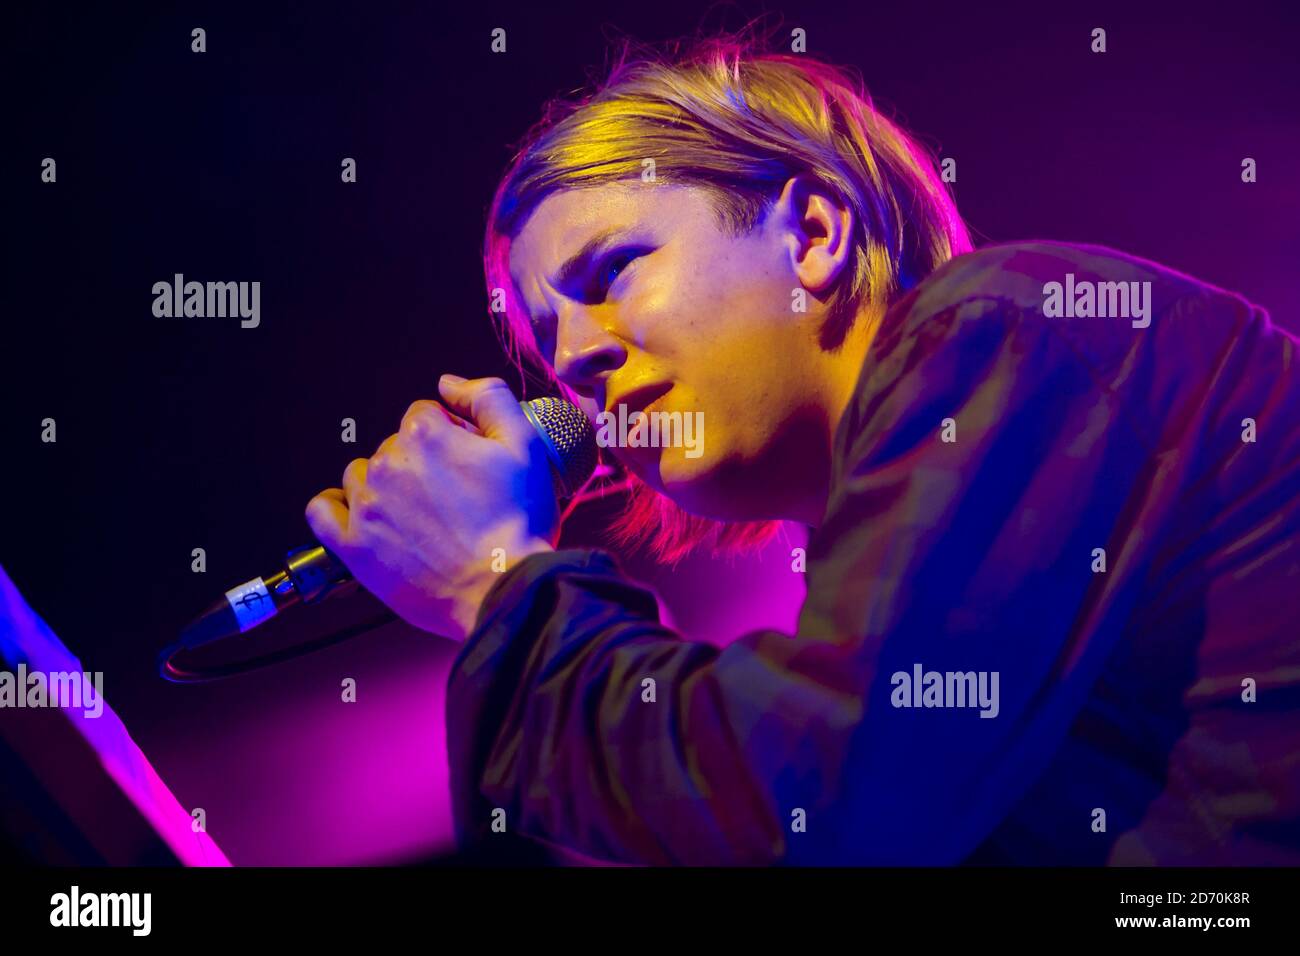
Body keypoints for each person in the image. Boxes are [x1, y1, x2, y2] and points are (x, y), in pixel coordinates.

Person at [305, 36, 1300, 865]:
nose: (575, 357)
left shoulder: (1003, 328)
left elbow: (832, 788)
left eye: (612, 271)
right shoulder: (907, 550)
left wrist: (501, 589)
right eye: (546, 335)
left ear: (814, 232)